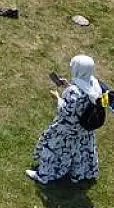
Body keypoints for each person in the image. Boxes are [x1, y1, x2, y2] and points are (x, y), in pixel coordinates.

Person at [27, 55, 103, 184]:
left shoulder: (73, 92)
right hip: (84, 130)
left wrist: (57, 97)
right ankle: (77, 174)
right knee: (79, 152)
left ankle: (43, 175)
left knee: (54, 151)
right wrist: (68, 85)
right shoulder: (94, 85)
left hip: (67, 130)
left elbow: (65, 111)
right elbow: (82, 99)